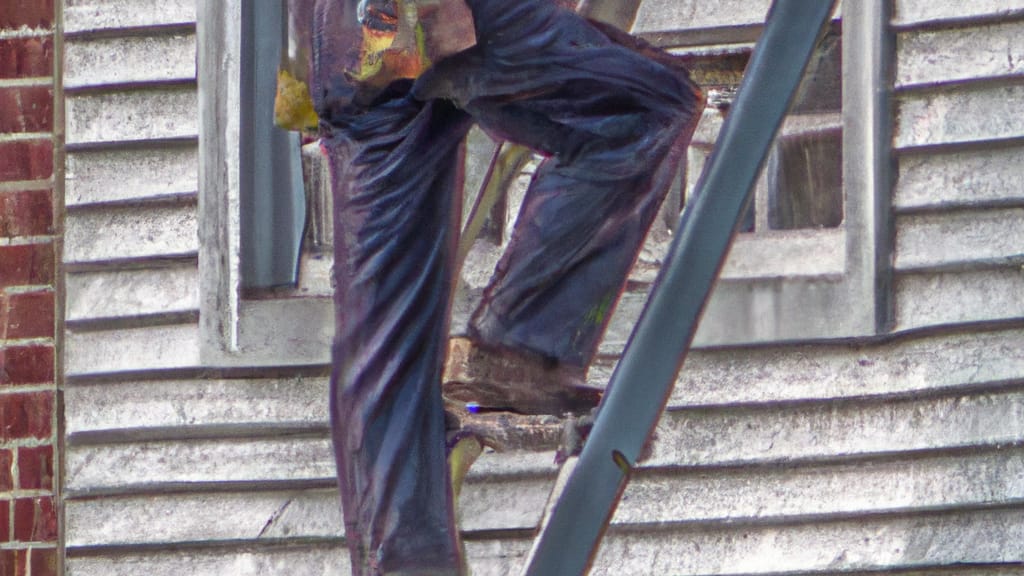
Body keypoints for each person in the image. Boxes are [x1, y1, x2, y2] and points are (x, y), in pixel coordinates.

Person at [309, 1, 703, 573]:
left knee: (384, 328)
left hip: (340, 43)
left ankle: (407, 563)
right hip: (422, 15)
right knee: (647, 107)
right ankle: (518, 343)